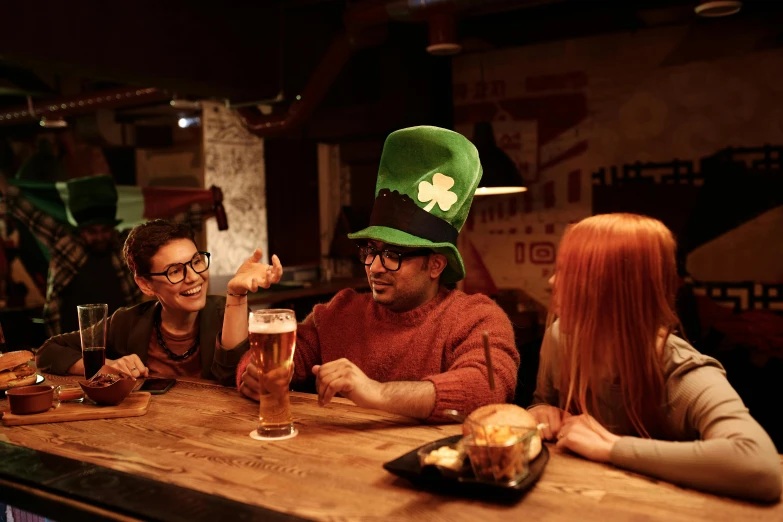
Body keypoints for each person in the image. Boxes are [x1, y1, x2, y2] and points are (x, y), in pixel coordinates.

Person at [236, 126, 519, 423]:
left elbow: (487, 389)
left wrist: (377, 393)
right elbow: (284, 356)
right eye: (371, 250)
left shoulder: (477, 318)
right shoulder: (340, 312)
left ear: (436, 265)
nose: (375, 266)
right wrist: (254, 373)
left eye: (394, 255)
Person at [529, 213, 781, 502]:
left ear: (616, 289)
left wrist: (612, 448)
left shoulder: (682, 372)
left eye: (568, 271)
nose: (551, 281)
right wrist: (540, 410)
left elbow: (759, 465)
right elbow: (543, 399)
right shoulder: (560, 337)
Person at [35, 219, 282, 384]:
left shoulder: (226, 312)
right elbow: (49, 351)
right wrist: (105, 366)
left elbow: (229, 378)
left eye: (196, 261)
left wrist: (236, 294)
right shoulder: (128, 322)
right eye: (175, 271)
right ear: (145, 284)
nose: (194, 277)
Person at [1, 174, 141, 336]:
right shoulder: (65, 242)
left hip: (120, 339)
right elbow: (26, 209)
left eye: (105, 230)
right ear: (81, 231)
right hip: (70, 343)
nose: (100, 237)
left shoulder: (124, 244)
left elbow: (163, 229)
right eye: (92, 232)